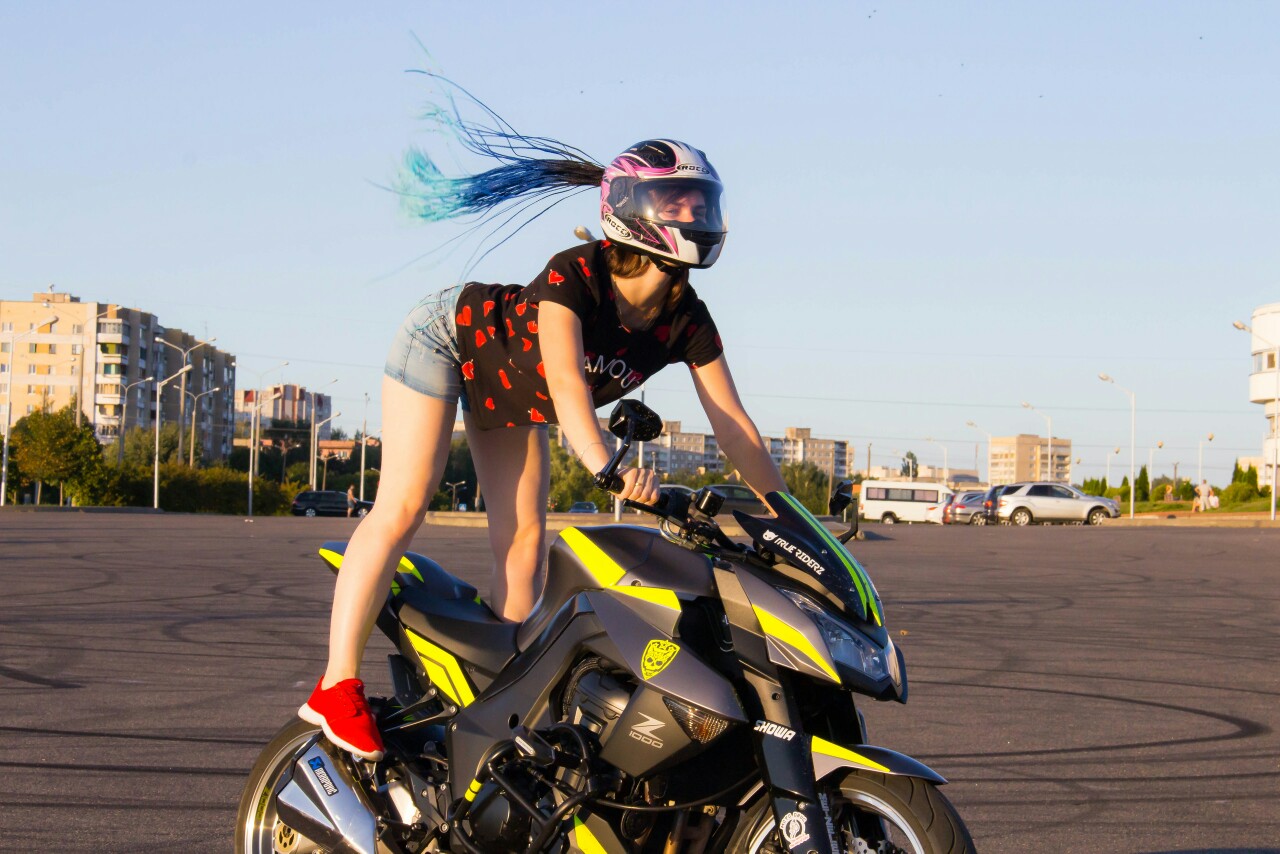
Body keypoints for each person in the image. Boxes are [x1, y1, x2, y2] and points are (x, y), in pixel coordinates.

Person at [299, 138, 788, 760]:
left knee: (526, 541)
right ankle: (336, 685)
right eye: (676, 201)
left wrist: (784, 516)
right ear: (631, 207)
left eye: (701, 202)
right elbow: (565, 383)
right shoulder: (577, 273)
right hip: (450, 339)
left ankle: (492, 705)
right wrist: (604, 465)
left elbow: (733, 422)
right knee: (404, 504)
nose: (694, 214)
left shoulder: (686, 317)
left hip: (511, 396)